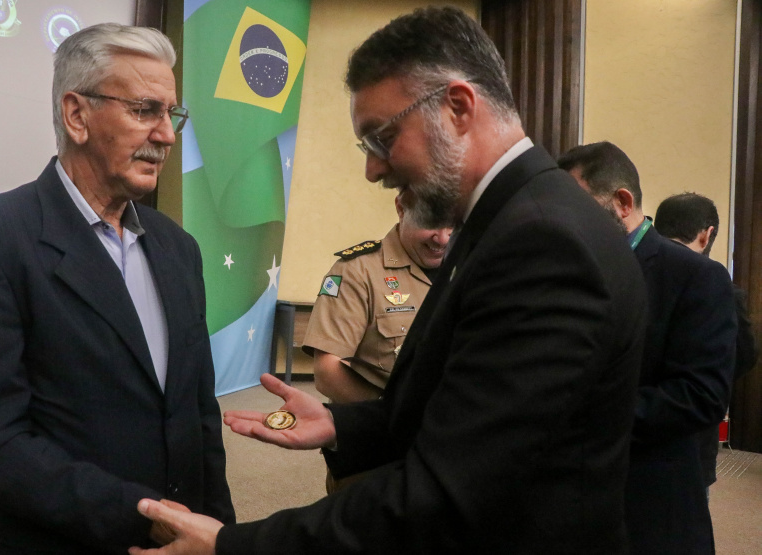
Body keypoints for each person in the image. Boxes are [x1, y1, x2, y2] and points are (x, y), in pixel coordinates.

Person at [130, 7, 648, 554]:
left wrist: (232, 546)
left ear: (457, 106)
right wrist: (342, 427)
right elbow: (463, 411)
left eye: (382, 139)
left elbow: (448, 493)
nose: (374, 170)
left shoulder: (542, 241)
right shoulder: (511, 217)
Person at [0, 23, 234, 554]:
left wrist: (221, 535)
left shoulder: (179, 247)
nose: (166, 136)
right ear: (76, 115)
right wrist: (142, 517)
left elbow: (198, 415)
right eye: (145, 111)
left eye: (171, 114)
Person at [558, 143, 737, 554]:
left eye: (576, 205)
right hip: (568, 501)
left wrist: (583, 414)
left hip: (650, 507)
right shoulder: (568, 269)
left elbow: (702, 396)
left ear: (622, 202)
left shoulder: (695, 276)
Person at [303, 192, 451, 492]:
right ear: (401, 207)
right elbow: (327, 372)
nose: (443, 239)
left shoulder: (470, 266)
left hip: (449, 449)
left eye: (453, 225)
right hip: (378, 454)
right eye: (431, 223)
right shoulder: (357, 270)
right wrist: (399, 416)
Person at [654, 192, 758, 494]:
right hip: (694, 429)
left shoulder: (630, 271)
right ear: (707, 234)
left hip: (634, 422)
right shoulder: (722, 287)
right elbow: (745, 354)